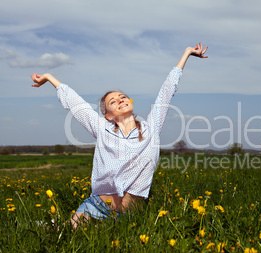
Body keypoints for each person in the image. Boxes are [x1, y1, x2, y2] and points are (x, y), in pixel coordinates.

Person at [31, 42, 208, 228]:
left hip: (129, 216)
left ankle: (51, 225)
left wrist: (186, 53)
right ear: (108, 115)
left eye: (123, 97)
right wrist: (50, 78)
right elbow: (77, 104)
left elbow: (166, 91)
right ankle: (48, 225)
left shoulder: (151, 128)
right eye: (113, 101)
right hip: (97, 206)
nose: (120, 100)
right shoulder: (101, 128)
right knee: (65, 232)